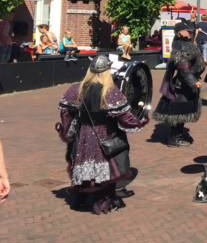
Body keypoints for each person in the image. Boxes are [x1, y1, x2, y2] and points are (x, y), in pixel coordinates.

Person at [56, 56, 149, 214]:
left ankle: (80, 198)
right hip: (104, 133)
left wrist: (67, 131)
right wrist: (140, 121)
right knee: (107, 170)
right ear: (106, 72)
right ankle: (102, 203)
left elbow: (66, 113)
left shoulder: (76, 88)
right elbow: (125, 118)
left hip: (83, 133)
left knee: (83, 165)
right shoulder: (110, 92)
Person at [153, 20, 206, 147]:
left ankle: (178, 136)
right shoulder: (182, 45)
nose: (190, 32)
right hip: (184, 84)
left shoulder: (182, 43)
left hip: (185, 83)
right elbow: (183, 67)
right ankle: (174, 139)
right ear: (181, 33)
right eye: (187, 30)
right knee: (179, 113)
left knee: (181, 113)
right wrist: (193, 82)